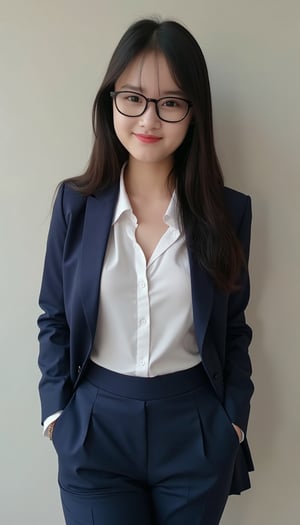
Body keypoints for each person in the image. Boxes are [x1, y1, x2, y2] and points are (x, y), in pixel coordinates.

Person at [37, 17, 254, 525]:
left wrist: (233, 422)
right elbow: (54, 317)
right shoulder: (75, 206)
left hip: (195, 430)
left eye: (170, 102)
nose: (148, 120)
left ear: (194, 113)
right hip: (95, 430)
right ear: (110, 100)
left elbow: (233, 327)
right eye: (132, 97)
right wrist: (56, 416)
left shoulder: (229, 213)